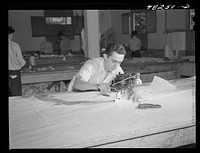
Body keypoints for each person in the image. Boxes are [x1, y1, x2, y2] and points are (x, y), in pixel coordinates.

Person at [8, 26, 26, 96]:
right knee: (16, 93)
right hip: (13, 72)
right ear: (10, 34)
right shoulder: (14, 45)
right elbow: (20, 61)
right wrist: (26, 64)